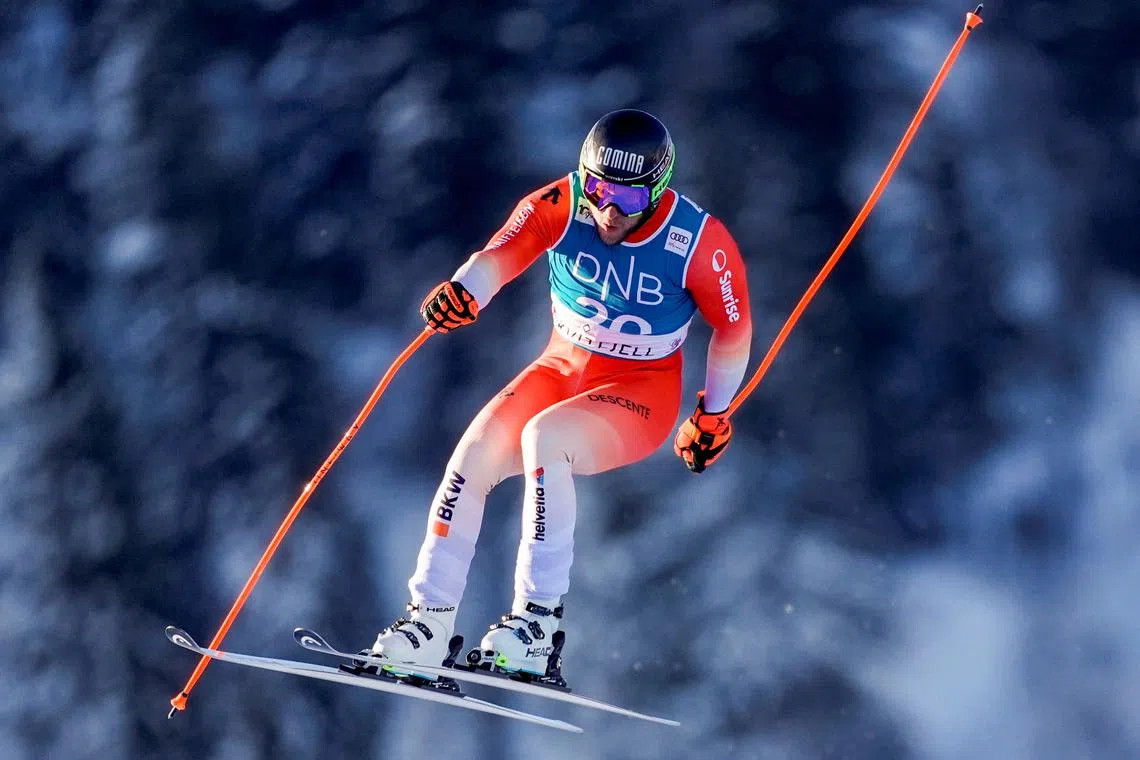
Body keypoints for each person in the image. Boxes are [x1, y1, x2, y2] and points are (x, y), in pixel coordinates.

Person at [370, 109, 753, 677]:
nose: (607, 211)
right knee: (472, 458)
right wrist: (463, 292)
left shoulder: (696, 240)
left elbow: (734, 325)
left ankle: (537, 625)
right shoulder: (560, 204)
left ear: (657, 191)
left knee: (545, 439)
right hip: (560, 368)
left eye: (627, 198)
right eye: (598, 189)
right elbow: (497, 257)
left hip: (638, 395)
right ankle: (428, 623)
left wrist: (713, 413)